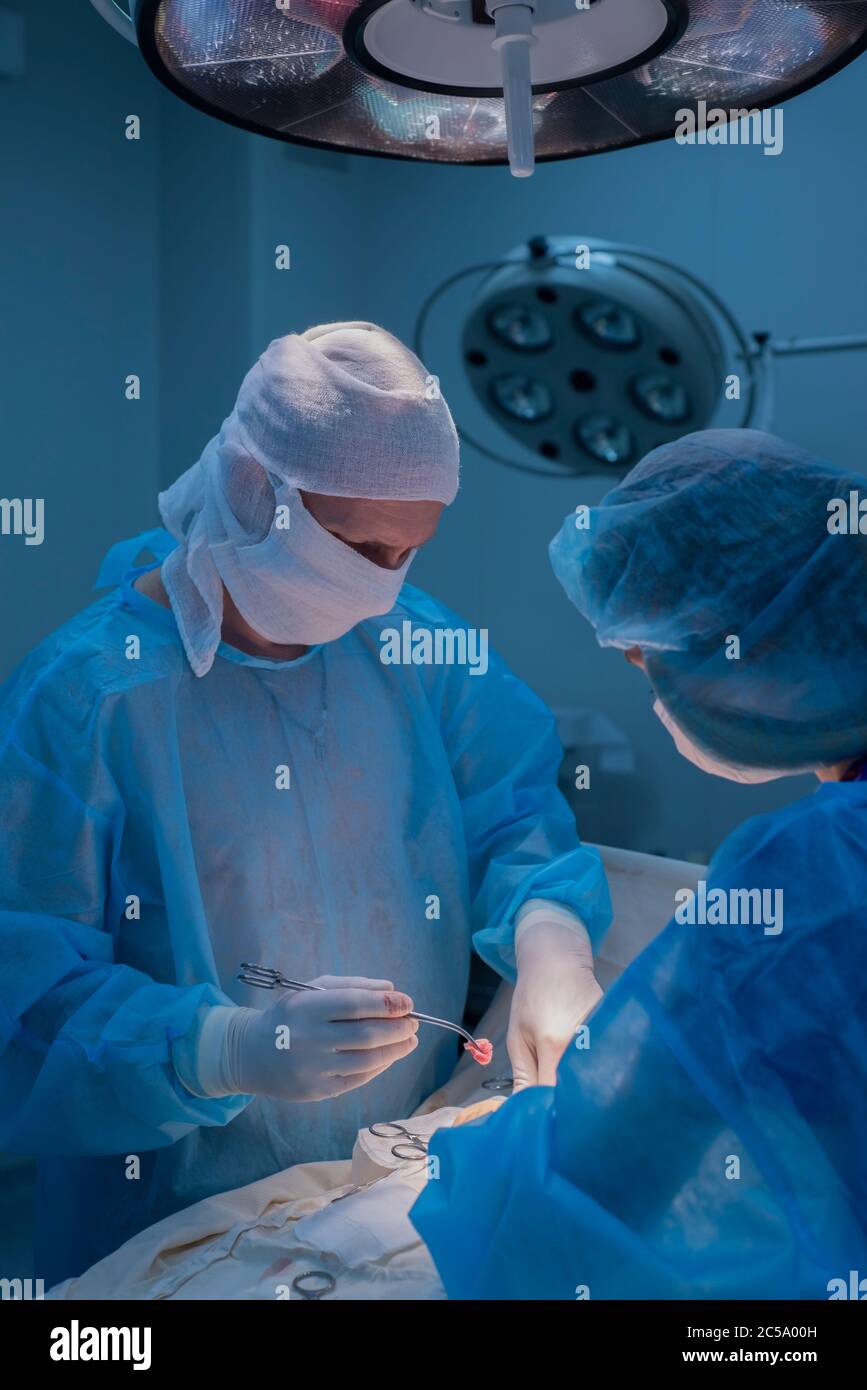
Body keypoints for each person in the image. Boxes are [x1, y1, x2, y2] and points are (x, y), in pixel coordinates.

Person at [0, 322, 609, 1285]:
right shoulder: (90, 696)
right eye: (360, 545)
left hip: (387, 1168)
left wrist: (549, 943)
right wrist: (222, 1047)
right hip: (167, 1210)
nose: (381, 586)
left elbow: (514, 811)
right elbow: (24, 986)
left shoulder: (411, 646)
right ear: (252, 490)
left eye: (407, 553)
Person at [412, 429, 867, 1300]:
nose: (655, 690)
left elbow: (568, 1223)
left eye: (654, 658)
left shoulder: (815, 878)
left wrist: (474, 1148)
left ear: (764, 639)